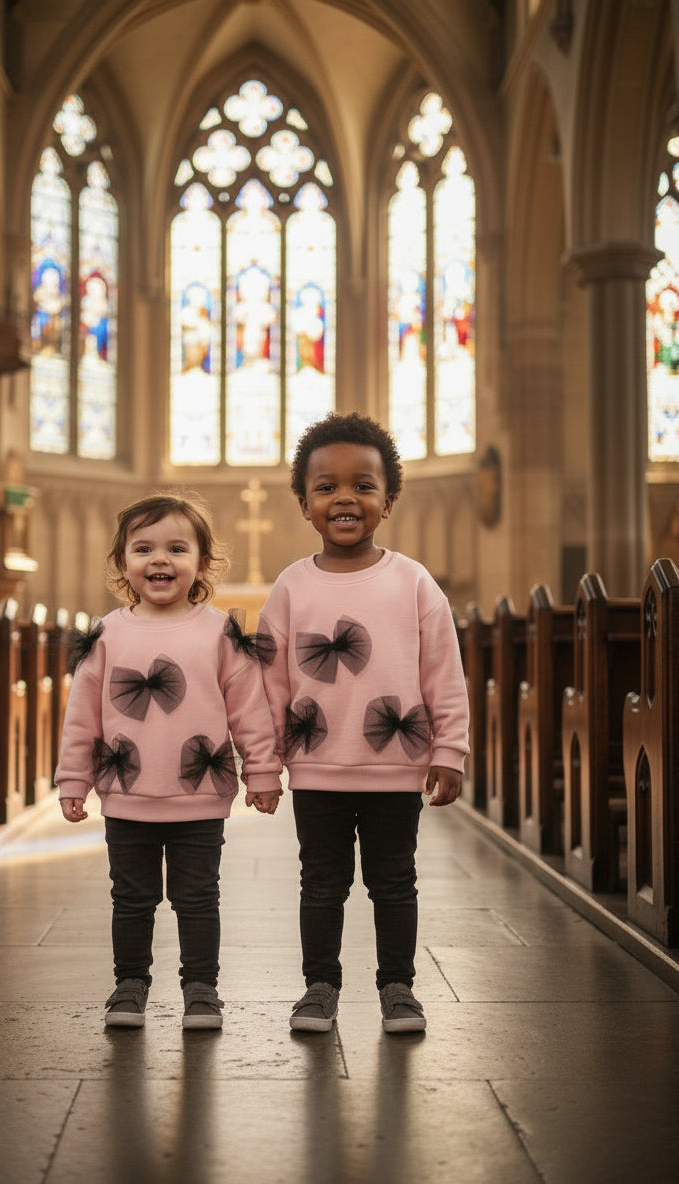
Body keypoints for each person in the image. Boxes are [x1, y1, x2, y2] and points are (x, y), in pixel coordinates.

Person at [258, 412, 469, 1034]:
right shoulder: (290, 587)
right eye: (325, 487)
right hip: (317, 766)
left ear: (389, 499)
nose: (344, 497)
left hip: (396, 766)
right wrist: (263, 763)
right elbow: (267, 684)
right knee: (321, 884)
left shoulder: (414, 582)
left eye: (362, 485)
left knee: (394, 882)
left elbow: (443, 673)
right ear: (304, 503)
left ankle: (398, 988)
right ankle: (319, 987)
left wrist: (449, 750)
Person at [56, 492, 282, 1031]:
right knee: (130, 899)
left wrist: (264, 772)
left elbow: (250, 710)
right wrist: (72, 779)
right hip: (126, 793)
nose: (160, 559)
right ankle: (129, 984)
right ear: (123, 564)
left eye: (177, 548)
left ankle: (201, 989)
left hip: (199, 794)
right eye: (144, 548)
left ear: (202, 562)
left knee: (198, 898)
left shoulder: (220, 632)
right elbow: (81, 716)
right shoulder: (106, 634)